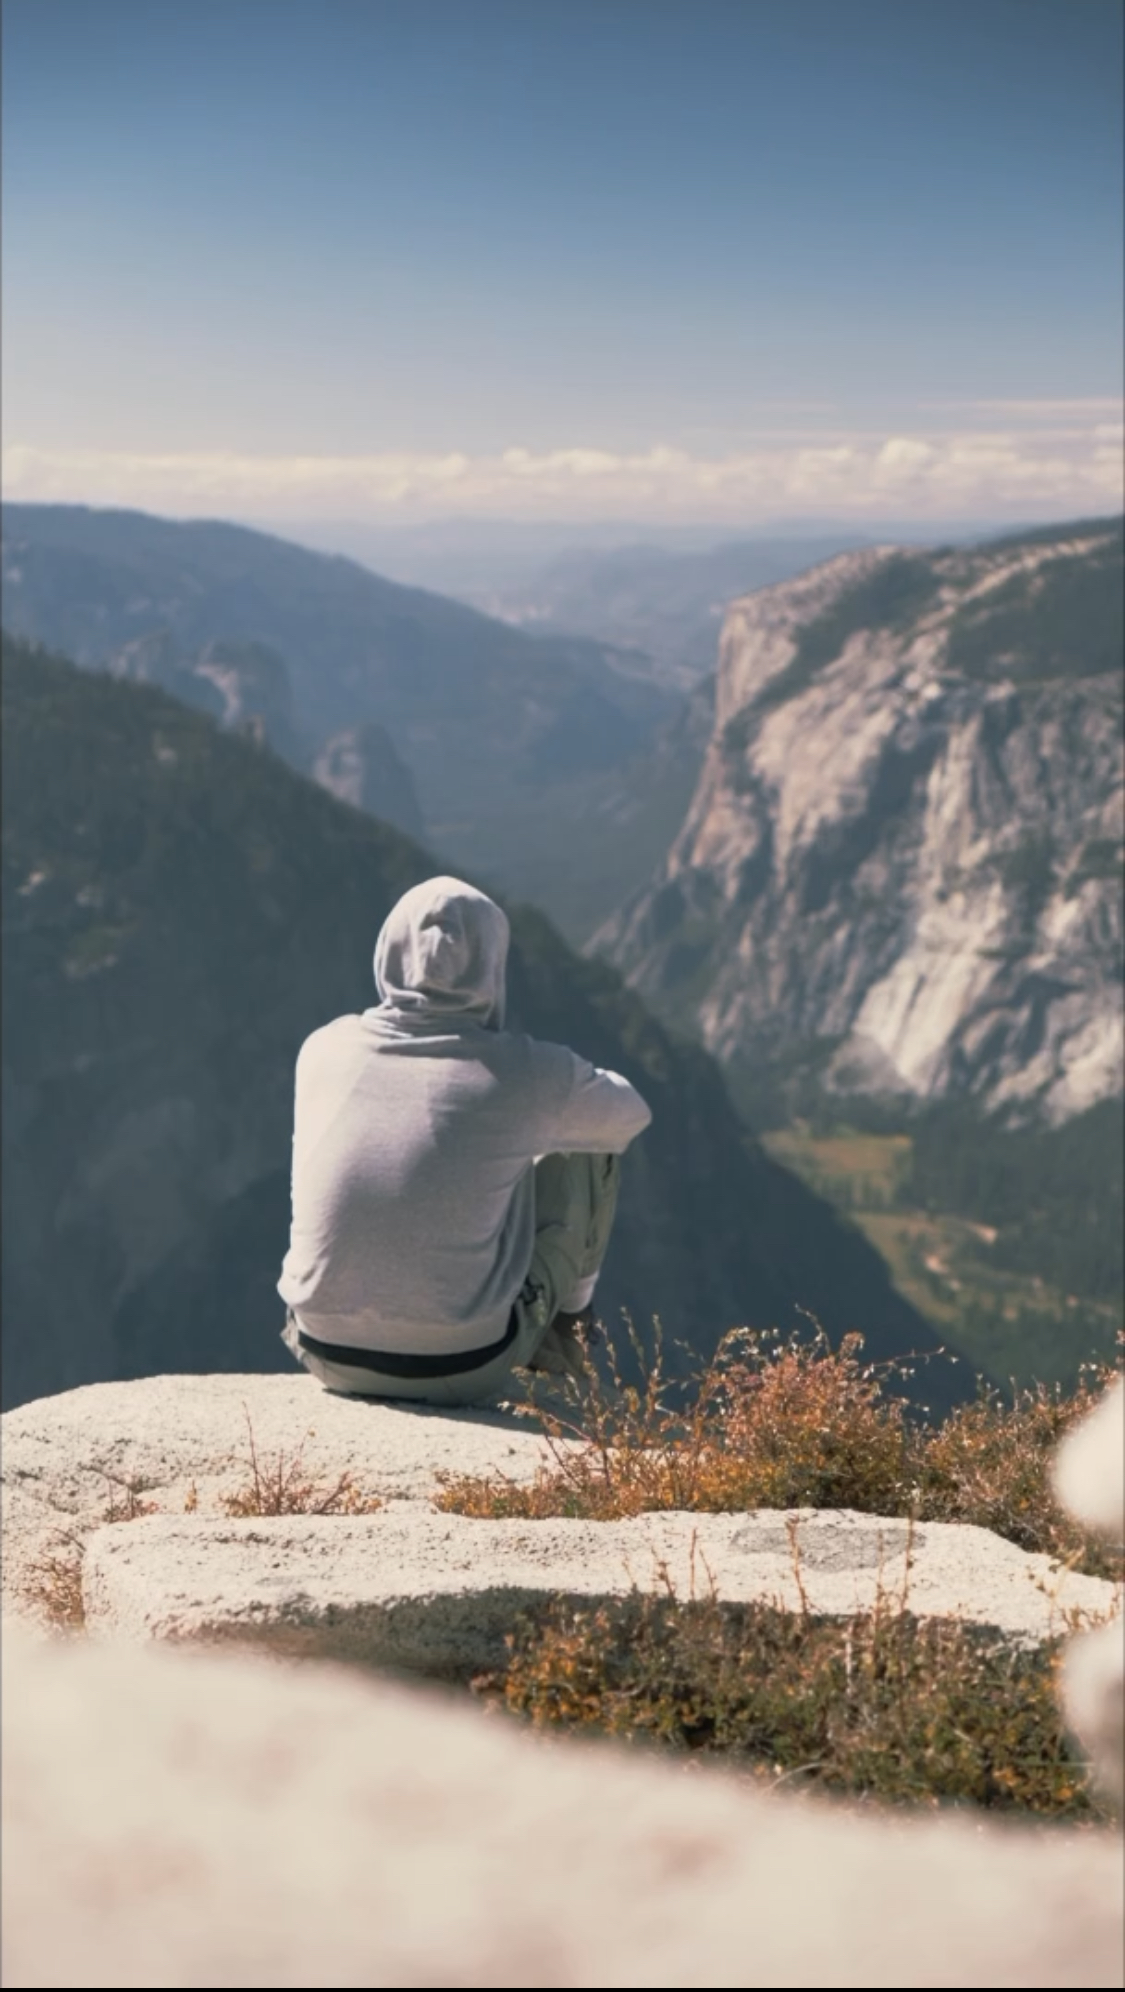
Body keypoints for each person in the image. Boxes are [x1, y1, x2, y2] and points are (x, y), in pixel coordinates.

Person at [278, 875, 652, 1404]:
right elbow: (630, 1114)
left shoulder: (322, 1049)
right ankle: (567, 1342)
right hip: (463, 1364)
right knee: (586, 1145)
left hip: (320, 1349)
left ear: (389, 951)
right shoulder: (527, 1072)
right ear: (491, 966)